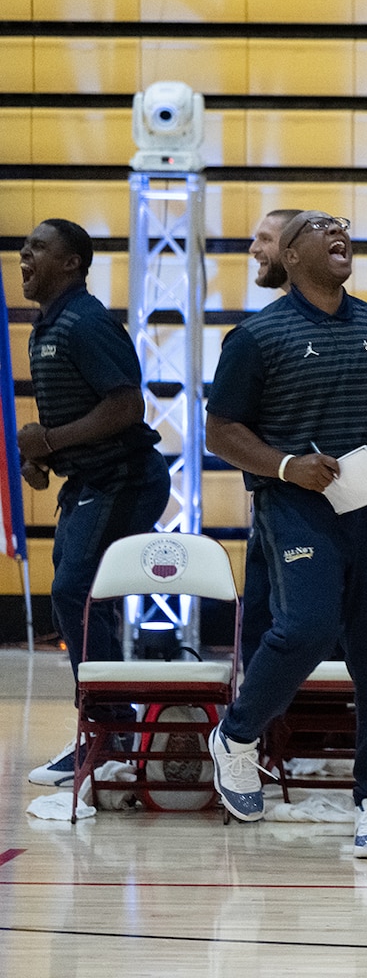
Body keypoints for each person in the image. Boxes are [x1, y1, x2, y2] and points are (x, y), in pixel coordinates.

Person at [205, 211, 367, 859]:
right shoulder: (255, 337)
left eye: (343, 226)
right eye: (320, 227)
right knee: (308, 626)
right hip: (294, 503)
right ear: (292, 256)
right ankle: (237, 736)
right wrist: (285, 465)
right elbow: (220, 433)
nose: (339, 233)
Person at [19, 218, 170, 786]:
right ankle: (108, 732)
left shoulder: (86, 322)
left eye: (37, 246)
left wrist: (51, 441)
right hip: (89, 481)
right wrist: (45, 458)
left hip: (125, 479)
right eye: (23, 246)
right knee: (84, 598)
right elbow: (76, 415)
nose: (23, 253)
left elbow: (128, 406)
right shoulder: (47, 326)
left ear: (72, 263)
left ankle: (107, 734)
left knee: (74, 591)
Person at [240, 208, 301, 673]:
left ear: (295, 250)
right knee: (261, 622)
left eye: (264, 239)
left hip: (323, 504)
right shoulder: (258, 332)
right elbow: (225, 429)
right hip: (273, 498)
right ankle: (262, 734)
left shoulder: (362, 326)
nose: (253, 250)